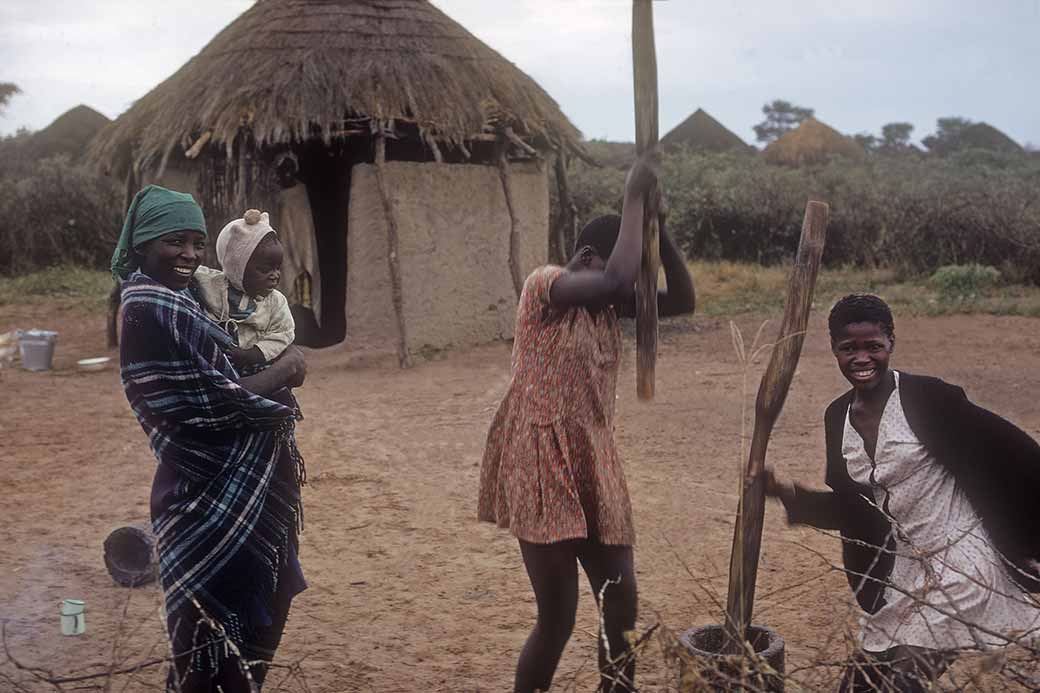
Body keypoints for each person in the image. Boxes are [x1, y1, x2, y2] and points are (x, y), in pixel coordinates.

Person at [477, 154, 695, 693]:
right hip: (541, 459)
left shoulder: (608, 306)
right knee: (558, 619)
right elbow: (619, 274)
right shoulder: (545, 286)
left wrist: (658, 232)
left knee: (620, 599)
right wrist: (634, 197)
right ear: (587, 255)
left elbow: (685, 301)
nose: (631, 285)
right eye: (625, 268)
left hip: (593, 458)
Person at [762, 293, 1040, 692]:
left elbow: (1016, 454)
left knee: (903, 683)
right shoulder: (836, 417)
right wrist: (782, 492)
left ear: (890, 342)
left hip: (964, 560)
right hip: (906, 569)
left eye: (873, 346)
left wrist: (1026, 542)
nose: (862, 358)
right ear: (834, 349)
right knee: (861, 684)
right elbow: (854, 509)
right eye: (848, 348)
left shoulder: (930, 398)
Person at [112, 185, 308, 692]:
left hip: (249, 491)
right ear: (142, 244)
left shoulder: (186, 301)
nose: (189, 255)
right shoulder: (154, 307)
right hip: (203, 495)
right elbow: (217, 402)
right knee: (204, 635)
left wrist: (270, 366)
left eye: (197, 244)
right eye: (174, 242)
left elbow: (227, 377)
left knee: (262, 602)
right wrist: (285, 367)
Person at [192, 209, 295, 373]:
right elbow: (195, 272)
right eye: (264, 269)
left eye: (277, 268)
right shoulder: (213, 284)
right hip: (216, 366)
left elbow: (283, 333)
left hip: (257, 367)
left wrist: (252, 354)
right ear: (236, 269)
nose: (275, 275)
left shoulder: (276, 302)